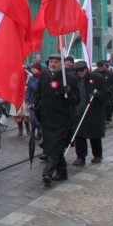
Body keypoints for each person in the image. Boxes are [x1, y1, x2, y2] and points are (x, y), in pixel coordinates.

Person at [34, 54, 80, 186]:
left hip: (62, 119)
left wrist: (69, 92)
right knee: (52, 146)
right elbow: (39, 92)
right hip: (47, 117)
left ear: (61, 64)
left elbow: (77, 100)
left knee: (55, 147)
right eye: (51, 62)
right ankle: (62, 172)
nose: (53, 64)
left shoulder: (69, 78)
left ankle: (47, 173)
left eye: (56, 62)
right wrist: (36, 106)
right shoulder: (45, 75)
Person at [72, 61, 110, 166]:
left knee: (94, 134)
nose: (80, 73)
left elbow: (107, 91)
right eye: (77, 71)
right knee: (79, 135)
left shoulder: (97, 77)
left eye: (82, 70)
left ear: (86, 69)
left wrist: (98, 94)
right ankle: (81, 157)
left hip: (93, 110)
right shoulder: (75, 80)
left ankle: (97, 155)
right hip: (78, 110)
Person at [95, 60, 113, 127]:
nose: (100, 68)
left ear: (104, 66)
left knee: (109, 108)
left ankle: (109, 119)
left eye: (102, 66)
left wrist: (110, 89)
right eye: (99, 67)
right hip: (99, 94)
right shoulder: (94, 73)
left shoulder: (110, 74)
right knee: (100, 108)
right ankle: (102, 120)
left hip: (108, 94)